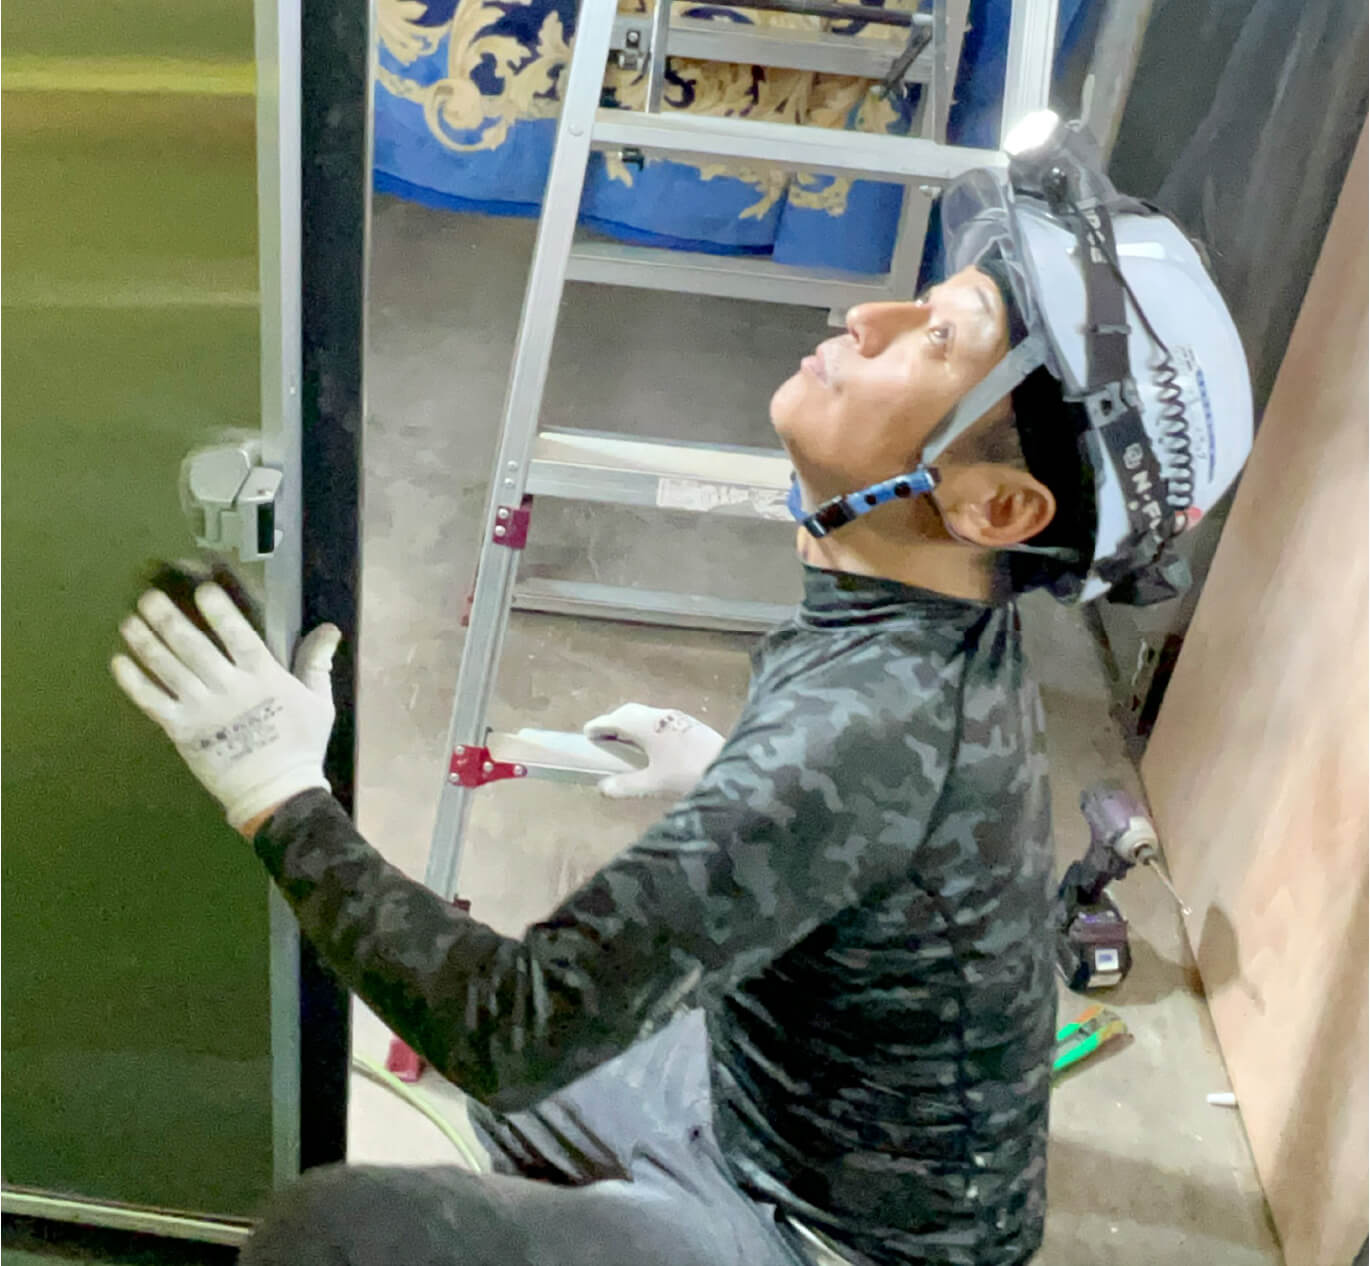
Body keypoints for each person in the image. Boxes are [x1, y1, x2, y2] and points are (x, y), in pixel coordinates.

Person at [110, 114, 1251, 1266]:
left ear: (996, 508)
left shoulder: (862, 728)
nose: (865, 319)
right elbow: (882, 827)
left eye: (935, 339)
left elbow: (503, 1026)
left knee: (338, 1234)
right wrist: (737, 785)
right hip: (767, 1112)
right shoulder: (931, 616)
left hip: (830, 1240)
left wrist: (275, 793)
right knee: (534, 1101)